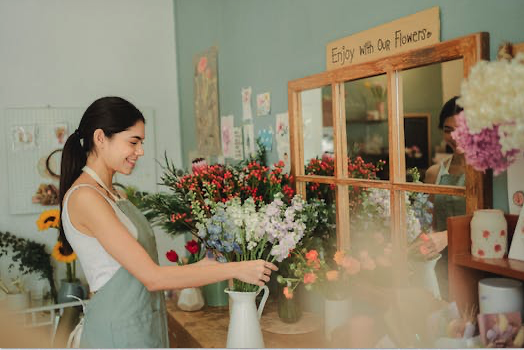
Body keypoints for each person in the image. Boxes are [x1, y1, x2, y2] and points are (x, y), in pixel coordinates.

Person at [58, 96, 277, 348]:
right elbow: (153, 278)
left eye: (141, 142)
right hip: (117, 332)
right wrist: (237, 270)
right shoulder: (86, 197)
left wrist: (208, 265)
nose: (139, 151)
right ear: (100, 138)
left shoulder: (113, 193)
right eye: (133, 142)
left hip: (143, 322)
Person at [424, 96, 466, 300]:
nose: (454, 136)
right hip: (441, 266)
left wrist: (447, 236)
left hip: (475, 263)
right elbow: (429, 223)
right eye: (448, 130)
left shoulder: (489, 174)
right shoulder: (434, 173)